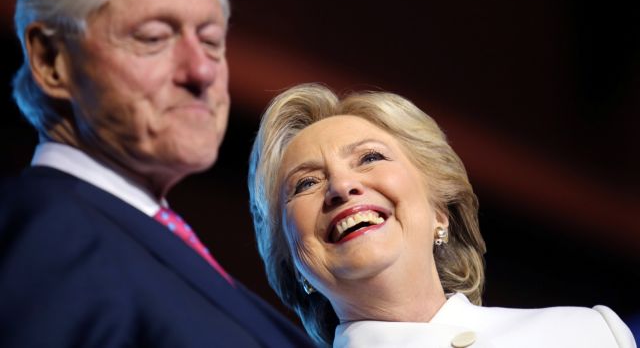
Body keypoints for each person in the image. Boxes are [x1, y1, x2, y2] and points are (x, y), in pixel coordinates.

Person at [0, 0, 312, 346]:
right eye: (154, 37)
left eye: (211, 41)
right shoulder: (53, 234)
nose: (201, 71)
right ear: (51, 60)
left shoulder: (143, 246)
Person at [248, 83, 637, 348]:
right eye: (306, 183)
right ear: (294, 265)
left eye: (369, 157)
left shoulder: (588, 334)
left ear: (440, 211)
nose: (341, 186)